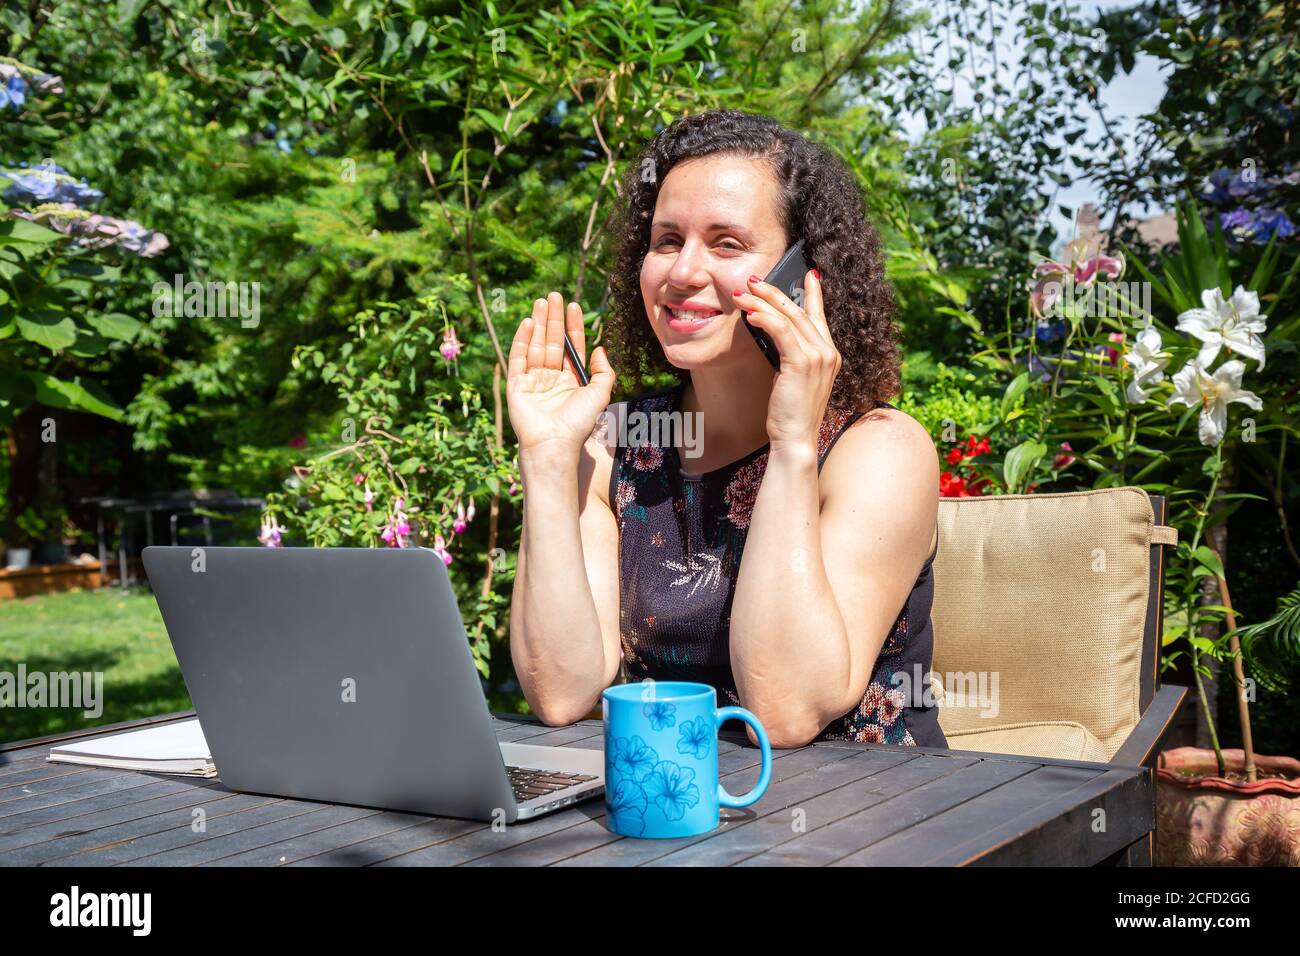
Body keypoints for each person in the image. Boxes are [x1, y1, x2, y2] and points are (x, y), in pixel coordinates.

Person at [506, 109, 945, 749]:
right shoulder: (617, 447)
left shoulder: (880, 450)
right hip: (680, 816)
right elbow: (562, 691)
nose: (683, 272)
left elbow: (786, 710)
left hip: (869, 823)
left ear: (803, 276)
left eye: (727, 243)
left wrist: (793, 444)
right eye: (665, 240)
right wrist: (548, 462)